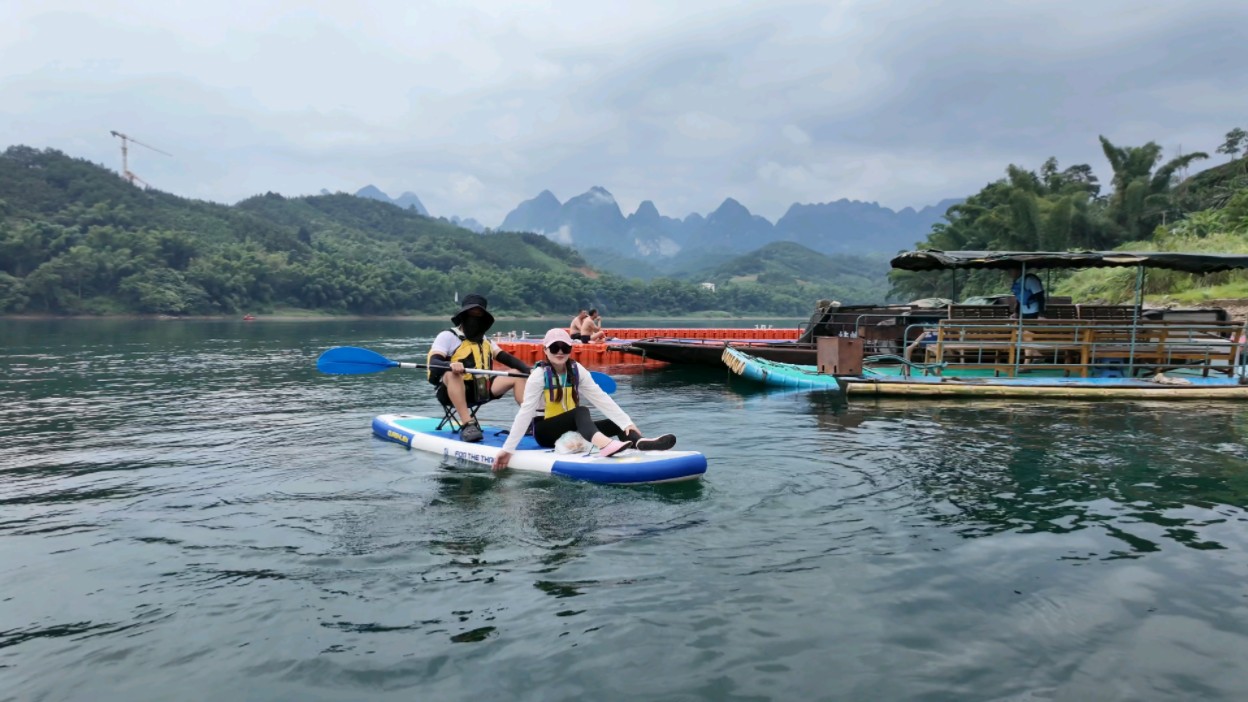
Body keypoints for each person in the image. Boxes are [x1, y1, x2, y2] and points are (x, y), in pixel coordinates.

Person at [493, 328, 676, 471]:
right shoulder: (538, 376)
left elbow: (600, 398)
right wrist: (508, 449)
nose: (560, 352)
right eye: (554, 347)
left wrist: (627, 423)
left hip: (572, 427)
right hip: (545, 432)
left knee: (615, 423)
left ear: (570, 349)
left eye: (565, 348)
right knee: (581, 411)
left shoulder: (577, 370)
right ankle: (605, 445)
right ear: (545, 350)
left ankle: (640, 443)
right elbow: (525, 413)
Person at [427, 294, 530, 443]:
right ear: (463, 315)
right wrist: (450, 365)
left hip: (480, 391)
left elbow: (506, 358)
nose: (474, 319)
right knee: (452, 374)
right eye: (471, 314)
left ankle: (531, 420)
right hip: (450, 392)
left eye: (479, 315)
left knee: (517, 374)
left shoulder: (486, 341)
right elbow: (434, 362)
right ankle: (467, 424)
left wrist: (528, 370)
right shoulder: (447, 336)